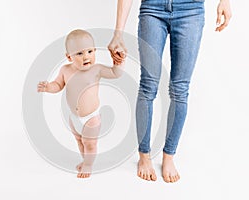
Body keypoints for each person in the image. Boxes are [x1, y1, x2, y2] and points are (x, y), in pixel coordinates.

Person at [108, 0, 232, 183]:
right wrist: (118, 33)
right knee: (148, 85)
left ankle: (169, 156)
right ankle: (144, 155)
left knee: (180, 89)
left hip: (191, 9)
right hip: (152, 8)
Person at [38, 29, 125, 178]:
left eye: (90, 51)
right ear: (69, 57)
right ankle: (85, 160)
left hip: (91, 117)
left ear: (95, 51)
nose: (86, 57)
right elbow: (58, 85)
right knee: (79, 141)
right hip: (74, 117)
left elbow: (115, 73)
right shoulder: (65, 70)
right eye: (79, 53)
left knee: (89, 143)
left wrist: (119, 63)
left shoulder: (96, 69)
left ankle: (88, 165)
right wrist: (48, 87)